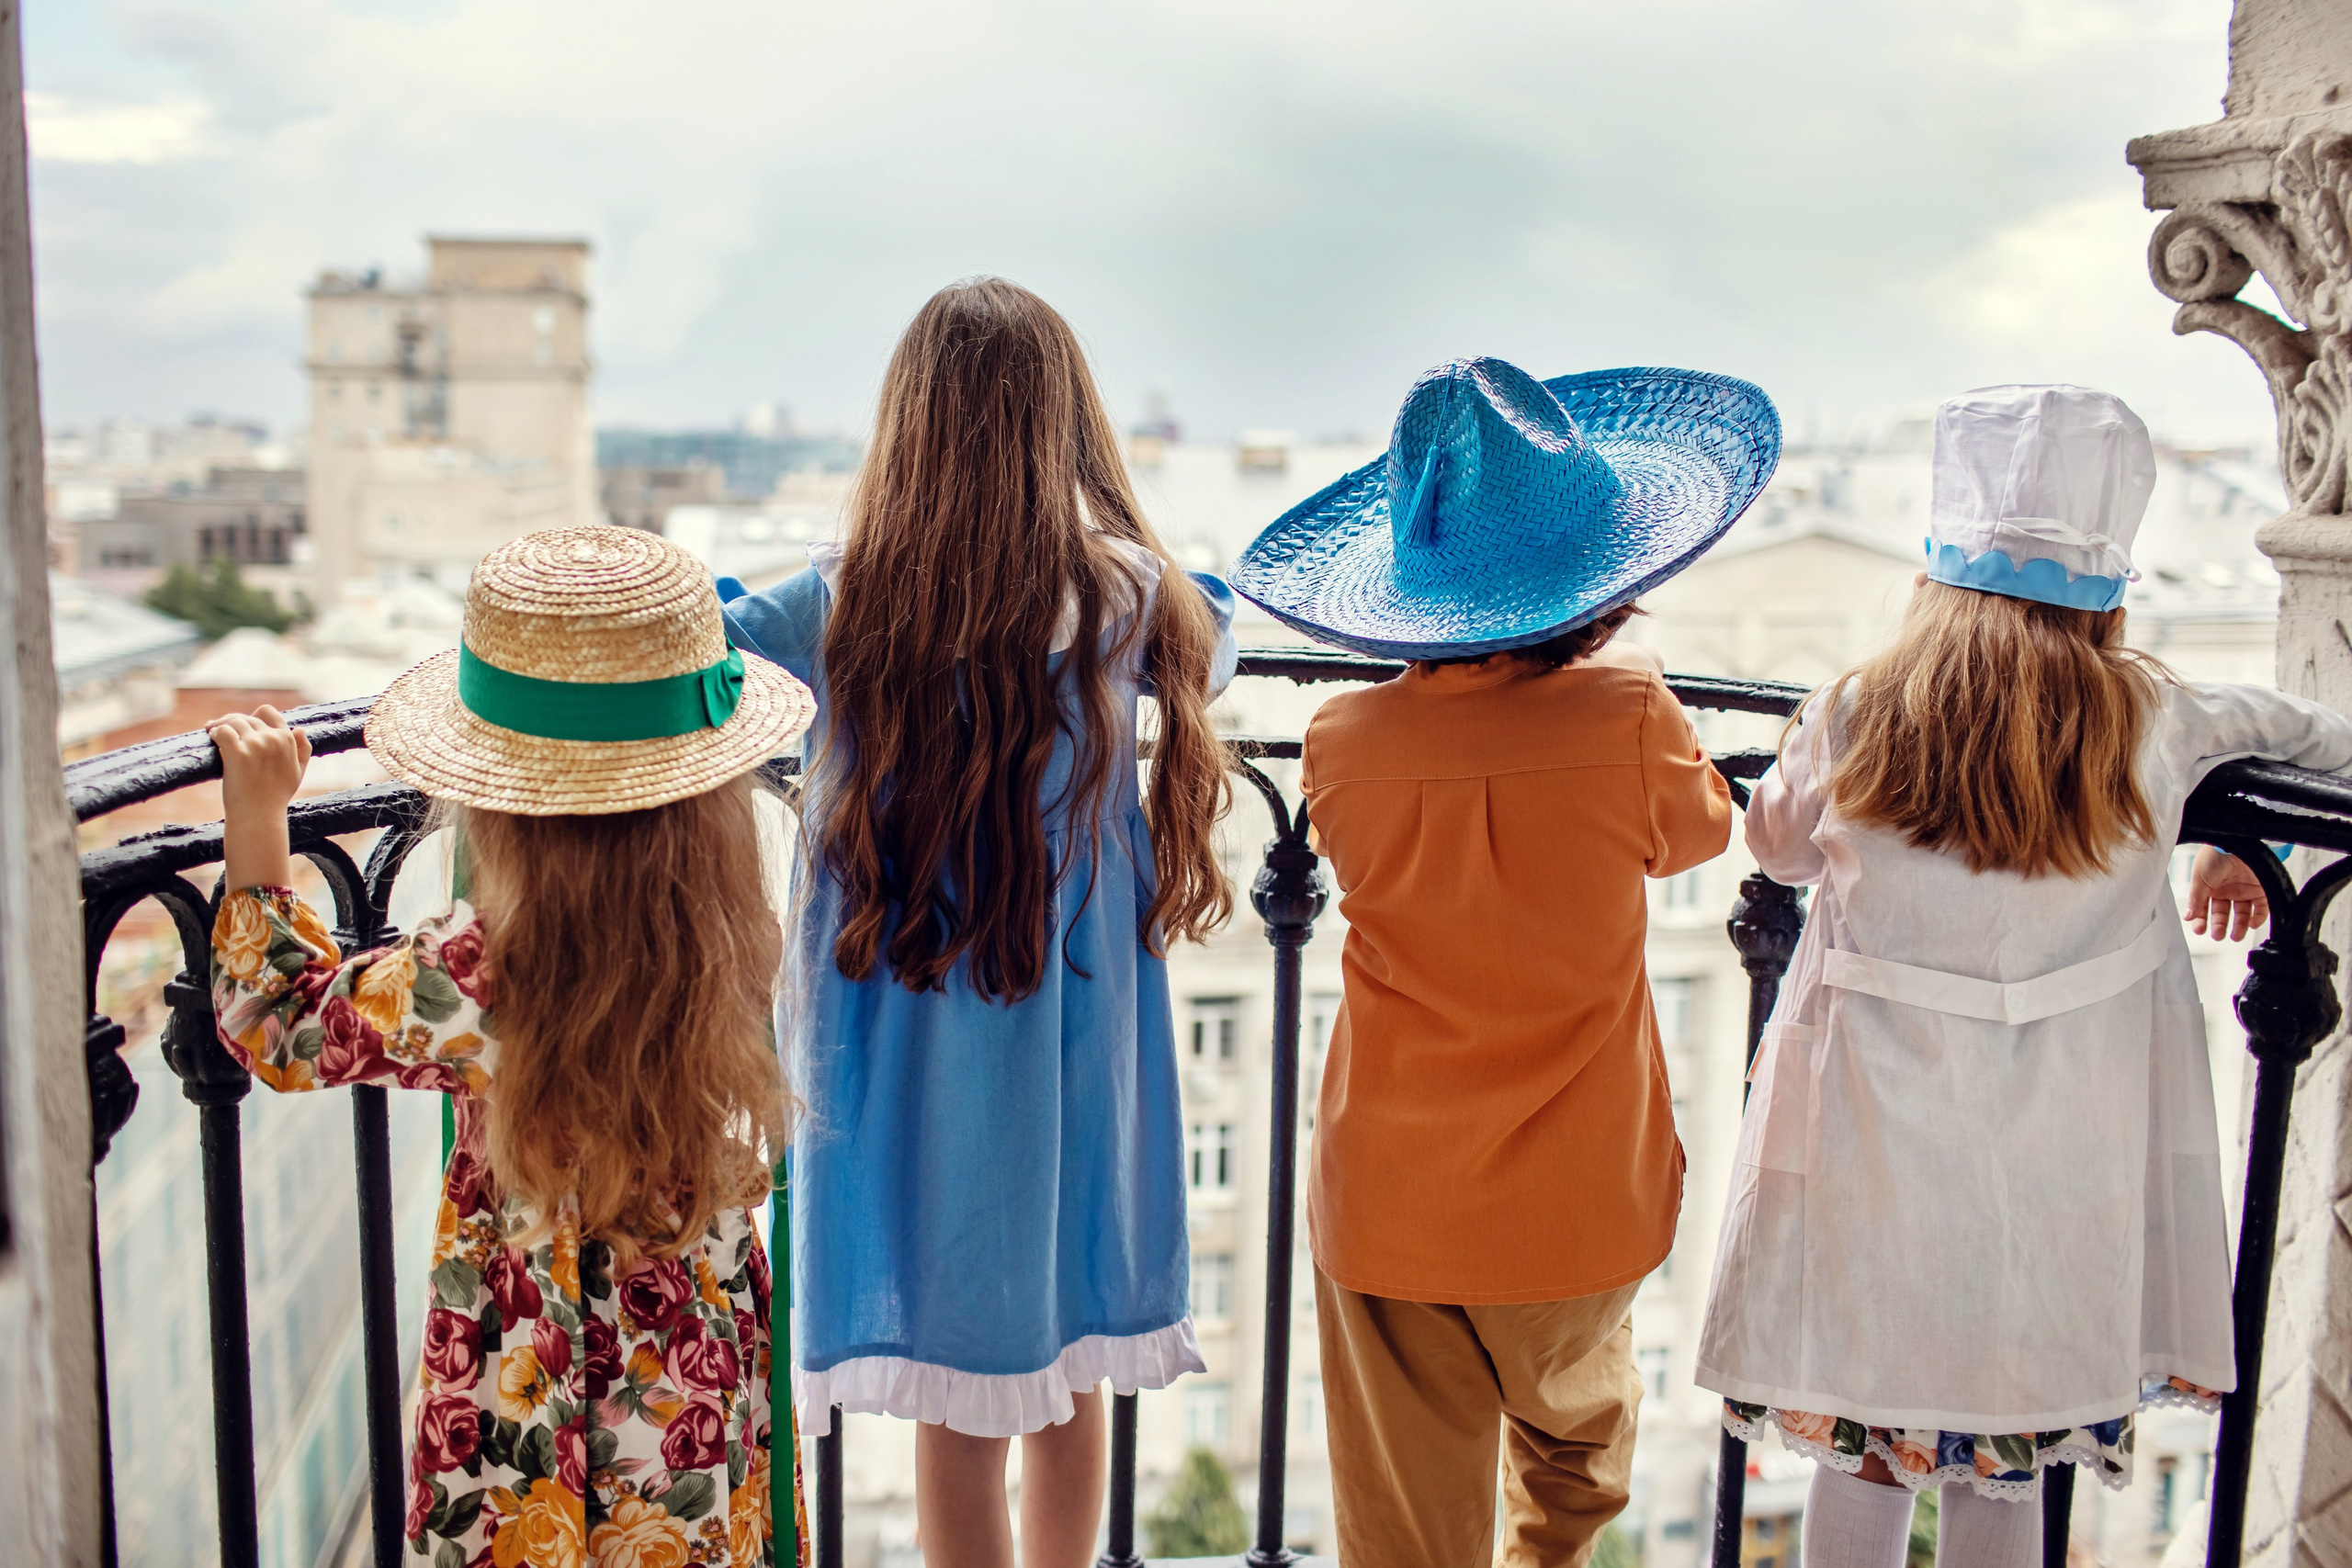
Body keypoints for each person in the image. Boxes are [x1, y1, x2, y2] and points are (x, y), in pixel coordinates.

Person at [1694, 385, 2352, 1568]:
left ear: (1934, 575)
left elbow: (1780, 853)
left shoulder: (1854, 710)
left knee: (1863, 1445)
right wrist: (2267, 852)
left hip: (1870, 1155)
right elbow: (2330, 742)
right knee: (2008, 1466)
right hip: (2056, 1171)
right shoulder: (2155, 716)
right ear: (2107, 596)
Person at [1228, 355, 1779, 1567]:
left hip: (1388, 1188)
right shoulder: (1631, 716)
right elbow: (1699, 829)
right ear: (1601, 581)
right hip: (1575, 1198)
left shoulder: (1341, 739)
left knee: (1401, 1517)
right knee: (1578, 1447)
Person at [720, 277, 1238, 1568]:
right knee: (1069, 1375)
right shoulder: (1128, 597)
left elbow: (697, 666)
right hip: (1078, 1044)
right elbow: (1221, 624)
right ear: (1067, 430)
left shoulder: (838, 606)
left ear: (909, 432)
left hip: (921, 1052)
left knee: (963, 1396)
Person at [206, 525, 818, 1567]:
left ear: (504, 800)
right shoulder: (724, 934)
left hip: (525, 1369)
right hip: (692, 1357)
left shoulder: (481, 972)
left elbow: (278, 1017)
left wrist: (257, 818)